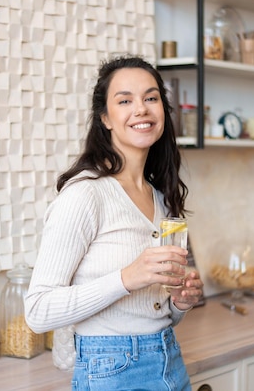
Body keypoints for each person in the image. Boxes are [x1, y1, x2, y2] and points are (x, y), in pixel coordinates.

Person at [24, 54, 204, 391]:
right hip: (111, 370)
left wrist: (179, 302)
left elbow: (154, 311)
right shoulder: (85, 196)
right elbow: (38, 311)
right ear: (105, 117)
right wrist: (127, 278)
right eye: (125, 100)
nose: (141, 109)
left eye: (151, 98)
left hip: (169, 361)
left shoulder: (162, 198)